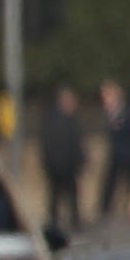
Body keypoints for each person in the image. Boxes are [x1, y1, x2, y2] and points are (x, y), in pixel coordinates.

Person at [37, 85, 85, 236]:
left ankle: (68, 222)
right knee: (59, 196)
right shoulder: (59, 121)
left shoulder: (64, 120)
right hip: (60, 165)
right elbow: (64, 144)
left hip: (62, 165)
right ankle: (59, 224)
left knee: (65, 197)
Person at [100, 78, 130, 219]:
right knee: (109, 184)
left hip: (128, 153)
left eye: (107, 94)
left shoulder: (126, 111)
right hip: (115, 155)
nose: (105, 98)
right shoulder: (108, 112)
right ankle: (104, 211)